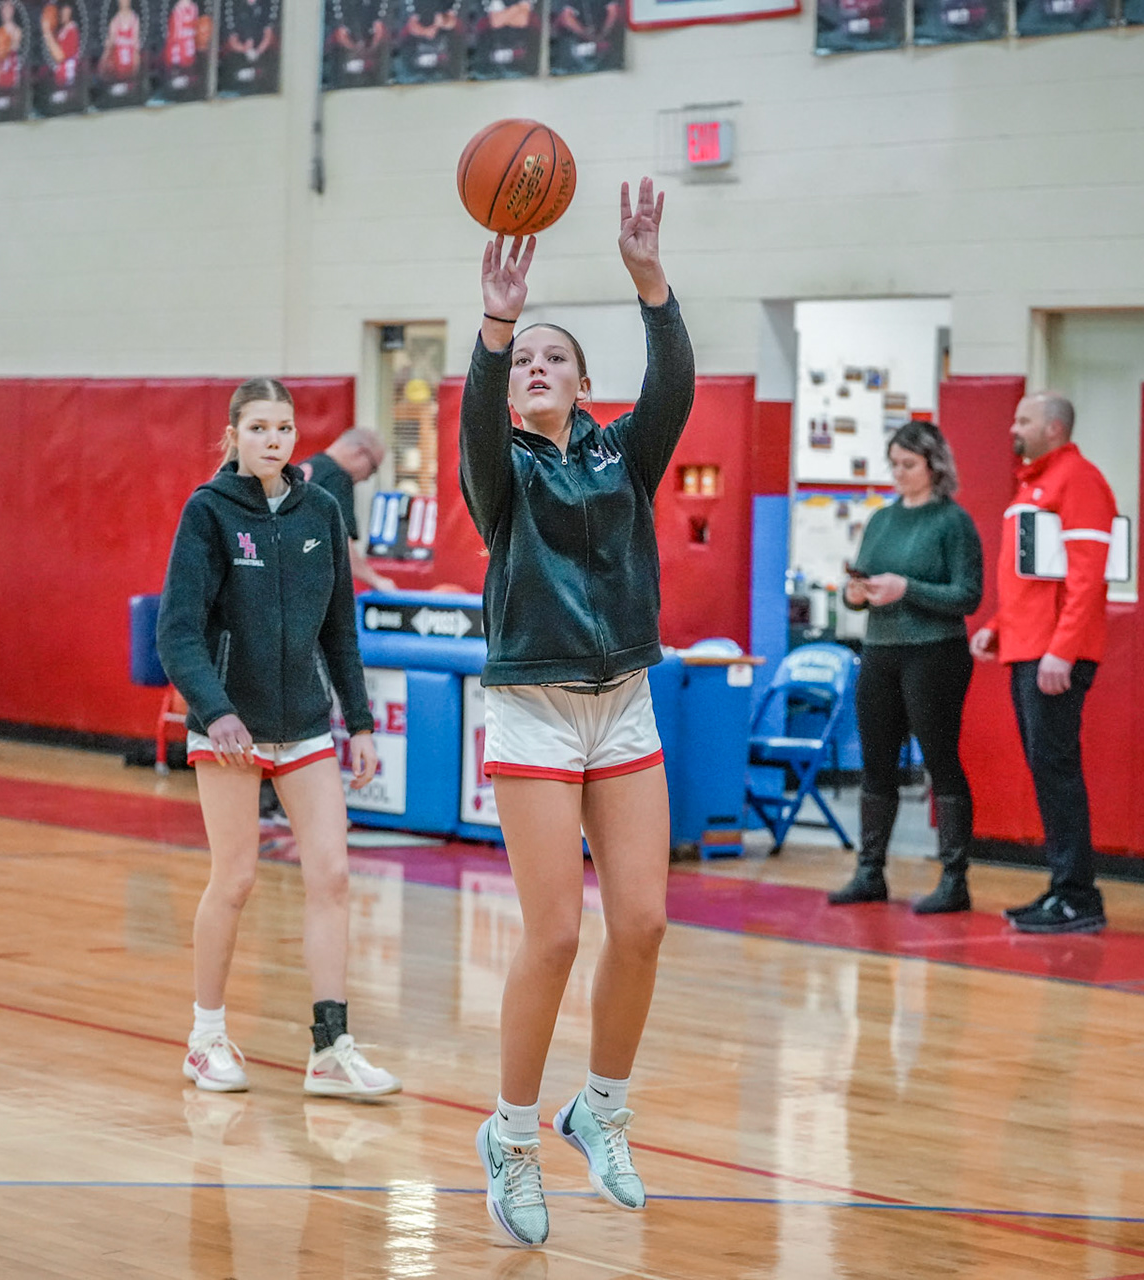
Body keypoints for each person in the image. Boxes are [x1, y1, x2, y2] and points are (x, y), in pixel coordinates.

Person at [462, 177, 693, 1249]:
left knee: (642, 922)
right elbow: (478, 412)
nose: (537, 367)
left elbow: (675, 387)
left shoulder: (624, 454)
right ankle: (510, 1136)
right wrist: (494, 325)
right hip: (535, 710)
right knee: (555, 930)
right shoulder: (501, 470)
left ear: (584, 381)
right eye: (524, 362)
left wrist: (651, 280)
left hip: (624, 702)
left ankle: (599, 1108)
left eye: (554, 356)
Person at [156, 377, 399, 1101]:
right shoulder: (207, 512)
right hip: (231, 728)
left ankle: (330, 1050)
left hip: (305, 728)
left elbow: (340, 632)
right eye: (259, 428)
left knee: (333, 877)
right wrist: (216, 711)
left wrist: (359, 722)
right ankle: (205, 1040)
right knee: (234, 879)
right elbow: (177, 633)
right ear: (234, 435)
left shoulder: (321, 509)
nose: (273, 440)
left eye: (284, 428)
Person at [969, 392, 1115, 934]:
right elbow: (1034, 577)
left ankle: (1078, 895)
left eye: (1023, 419)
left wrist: (1062, 649)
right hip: (1027, 647)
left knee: (1056, 769)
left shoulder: (1078, 480)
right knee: (1047, 770)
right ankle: (1064, 888)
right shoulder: (1034, 484)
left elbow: (1086, 574)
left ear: (1053, 427)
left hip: (1052, 654)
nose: (1014, 426)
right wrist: (998, 625)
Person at [833, 422, 983, 912]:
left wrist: (907, 589)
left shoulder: (953, 522)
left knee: (940, 760)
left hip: (935, 653)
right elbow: (860, 588)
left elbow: (968, 595)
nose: (898, 473)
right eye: (894, 464)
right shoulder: (881, 519)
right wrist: (855, 593)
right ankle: (869, 871)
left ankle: (954, 879)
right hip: (880, 649)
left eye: (908, 465)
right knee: (876, 761)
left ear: (934, 465)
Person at [298, 428, 395, 592]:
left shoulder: (308, 467)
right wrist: (377, 580)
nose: (367, 478)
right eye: (372, 469)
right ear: (360, 452)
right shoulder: (337, 477)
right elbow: (341, 544)